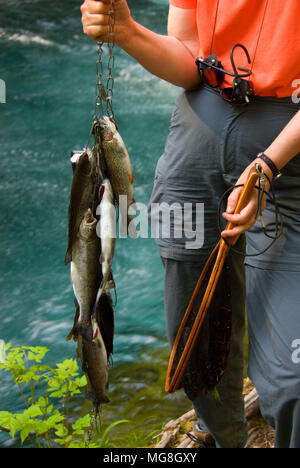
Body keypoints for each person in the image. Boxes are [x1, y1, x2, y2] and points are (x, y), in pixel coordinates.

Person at [81, 0, 300, 448]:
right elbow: (190, 57)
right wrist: (129, 32)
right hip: (200, 124)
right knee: (192, 320)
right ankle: (224, 435)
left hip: (289, 143)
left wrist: (267, 166)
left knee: (292, 373)